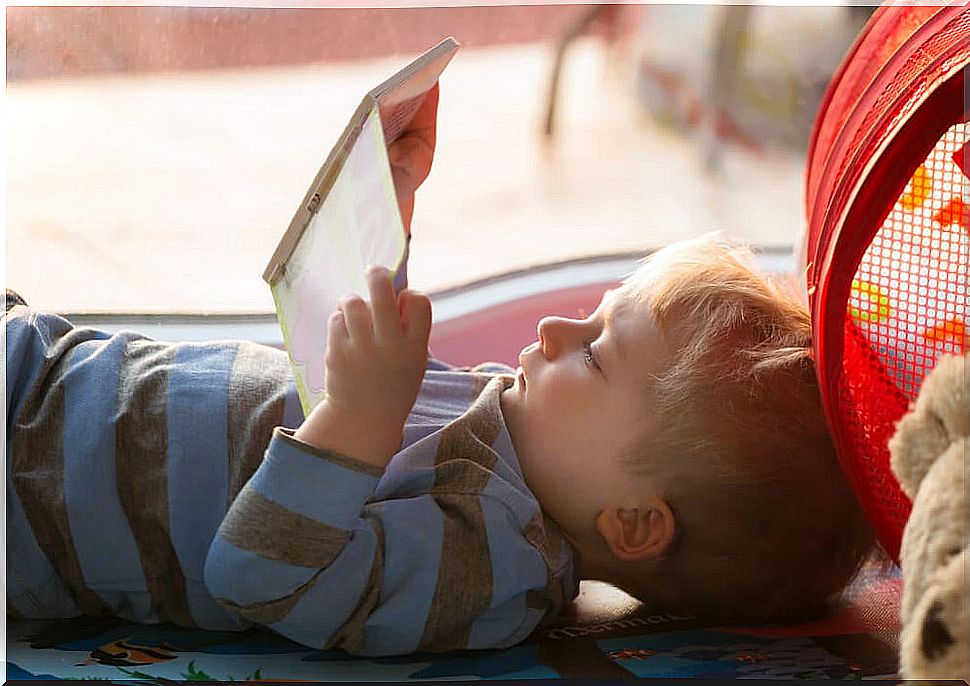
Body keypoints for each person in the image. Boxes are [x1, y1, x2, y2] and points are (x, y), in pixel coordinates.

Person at [6, 82, 875, 656]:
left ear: (636, 523)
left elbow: (263, 576)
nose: (555, 325)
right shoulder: (520, 431)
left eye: (599, 353)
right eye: (594, 317)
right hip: (51, 371)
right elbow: (358, 367)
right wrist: (383, 213)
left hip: (34, 491)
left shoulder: (494, 565)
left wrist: (358, 417)